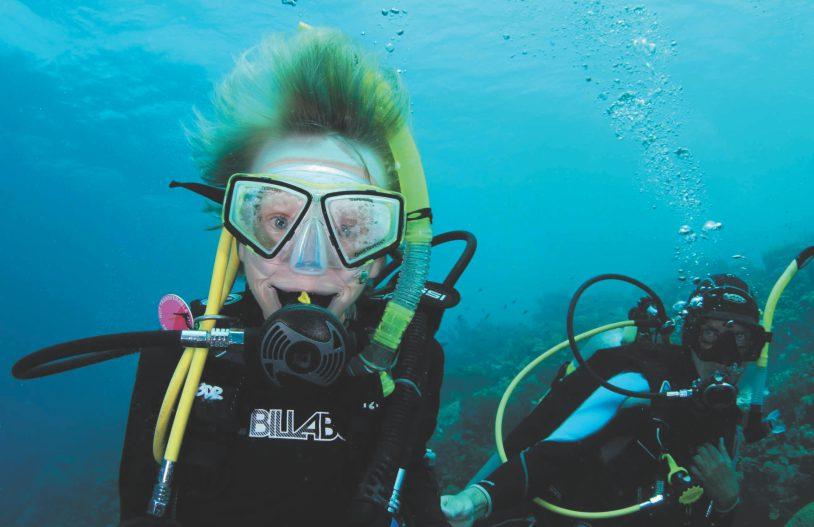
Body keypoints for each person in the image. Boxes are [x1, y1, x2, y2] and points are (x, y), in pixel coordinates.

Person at [116, 26, 455, 527]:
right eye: (278, 220)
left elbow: (412, 490)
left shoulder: (411, 355)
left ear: (388, 254)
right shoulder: (184, 357)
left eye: (352, 226)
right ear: (235, 234)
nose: (310, 261)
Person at [441, 274, 772, 527]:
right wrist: (477, 499)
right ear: (691, 335)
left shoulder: (727, 422)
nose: (724, 355)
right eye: (711, 335)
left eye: (741, 339)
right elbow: (556, 448)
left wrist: (729, 499)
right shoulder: (642, 383)